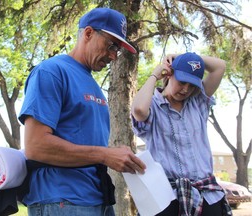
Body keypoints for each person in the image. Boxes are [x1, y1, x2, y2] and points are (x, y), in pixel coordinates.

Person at [18, 7, 146, 216]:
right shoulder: (51, 71)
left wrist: (115, 154)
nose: (114, 56)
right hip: (61, 200)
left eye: (118, 50)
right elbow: (36, 146)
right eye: (111, 45)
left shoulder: (92, 83)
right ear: (88, 33)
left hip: (98, 199)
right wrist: (105, 155)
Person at [131, 52, 232, 216]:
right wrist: (154, 75)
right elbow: (139, 110)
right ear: (170, 75)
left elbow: (220, 66)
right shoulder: (153, 106)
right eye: (182, 82)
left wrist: (182, 57)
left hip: (207, 196)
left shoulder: (197, 102)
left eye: (192, 85)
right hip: (167, 197)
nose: (186, 89)